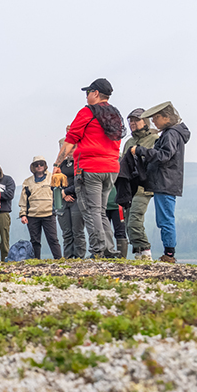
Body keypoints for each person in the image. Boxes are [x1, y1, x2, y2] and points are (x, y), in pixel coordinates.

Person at [53, 78, 124, 258]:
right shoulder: (114, 114)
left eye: (88, 93)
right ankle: (108, 249)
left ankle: (98, 251)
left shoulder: (87, 112)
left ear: (96, 93)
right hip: (111, 168)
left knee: (91, 210)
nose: (86, 97)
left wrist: (57, 165)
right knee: (100, 210)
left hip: (90, 168)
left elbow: (70, 141)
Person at [131, 102, 191, 263]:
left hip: (165, 181)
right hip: (166, 181)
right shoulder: (173, 133)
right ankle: (169, 252)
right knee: (164, 218)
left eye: (156, 118)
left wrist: (141, 150)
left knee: (165, 219)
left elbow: (164, 155)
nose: (154, 121)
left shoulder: (171, 134)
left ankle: (169, 254)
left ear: (167, 117)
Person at [120, 108, 159, 259]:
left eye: (136, 120)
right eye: (130, 120)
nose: (132, 123)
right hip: (129, 187)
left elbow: (156, 160)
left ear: (145, 121)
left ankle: (146, 253)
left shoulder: (154, 139)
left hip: (144, 187)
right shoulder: (129, 142)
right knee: (129, 221)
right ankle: (138, 254)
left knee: (134, 221)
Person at [19, 157, 61, 260]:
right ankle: (36, 261)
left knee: (53, 239)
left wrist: (58, 209)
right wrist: (23, 214)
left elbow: (58, 194)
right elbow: (24, 200)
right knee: (35, 240)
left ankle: (59, 259)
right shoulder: (27, 182)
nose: (39, 166)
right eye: (36, 164)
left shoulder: (52, 178)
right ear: (33, 166)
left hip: (49, 213)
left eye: (41, 164)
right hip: (32, 215)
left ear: (45, 165)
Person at [53, 141, 85, 258]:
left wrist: (66, 192)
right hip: (62, 200)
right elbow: (53, 183)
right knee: (66, 232)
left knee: (78, 231)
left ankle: (79, 257)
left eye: (72, 148)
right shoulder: (59, 165)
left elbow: (82, 182)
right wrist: (62, 194)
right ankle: (68, 257)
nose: (69, 151)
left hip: (77, 198)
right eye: (66, 149)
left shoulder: (80, 162)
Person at [0, 162, 16, 261]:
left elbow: (9, 195)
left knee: (3, 241)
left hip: (3, 213)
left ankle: (6, 261)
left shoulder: (8, 180)